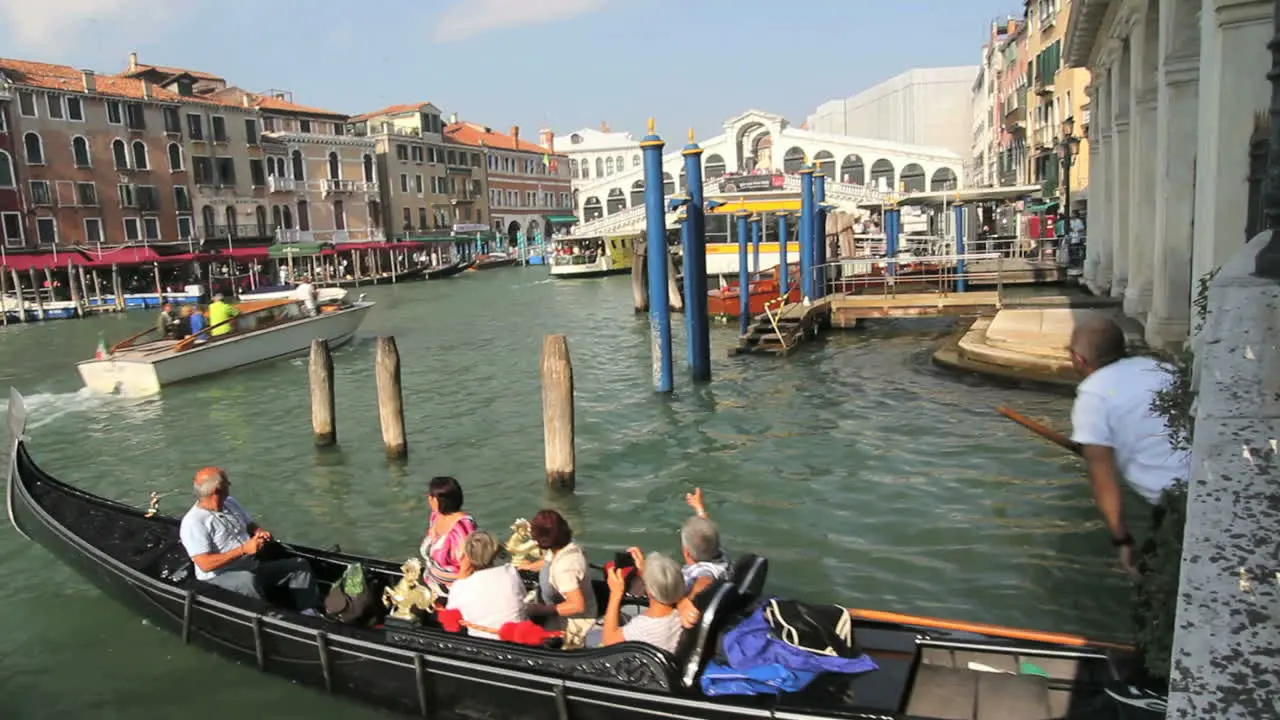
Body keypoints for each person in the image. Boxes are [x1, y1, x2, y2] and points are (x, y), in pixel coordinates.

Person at [1068, 315, 1191, 574]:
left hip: (1175, 502)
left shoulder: (1094, 395)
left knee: (1151, 586)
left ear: (1079, 359)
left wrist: (1121, 539)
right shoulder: (1159, 368)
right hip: (1202, 480)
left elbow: (1103, 477)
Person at [178, 467, 321, 614]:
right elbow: (205, 564)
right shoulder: (194, 522)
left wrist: (259, 532)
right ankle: (271, 617)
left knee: (299, 565)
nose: (229, 484)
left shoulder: (230, 503)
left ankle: (309, 611)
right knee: (247, 580)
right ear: (218, 489)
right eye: (227, 482)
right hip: (219, 576)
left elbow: (250, 525)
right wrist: (244, 549)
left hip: (250, 565)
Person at [519, 509, 597, 649]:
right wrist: (529, 566)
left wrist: (542, 611)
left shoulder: (564, 568)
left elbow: (577, 605)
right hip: (552, 607)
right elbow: (549, 562)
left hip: (573, 625)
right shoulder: (564, 546)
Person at [444, 531, 526, 640]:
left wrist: (462, 573)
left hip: (481, 643)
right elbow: (523, 602)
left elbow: (451, 621)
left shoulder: (459, 587)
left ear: (467, 556)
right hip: (519, 640)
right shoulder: (510, 572)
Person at [599, 551, 684, 654]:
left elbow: (608, 640)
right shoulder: (681, 612)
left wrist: (615, 593)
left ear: (649, 592)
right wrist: (645, 570)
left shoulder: (642, 626)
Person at [419, 476, 478, 593]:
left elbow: (467, 567)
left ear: (437, 500)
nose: (428, 498)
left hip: (452, 589)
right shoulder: (436, 516)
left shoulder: (463, 526)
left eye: (431, 496)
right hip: (431, 580)